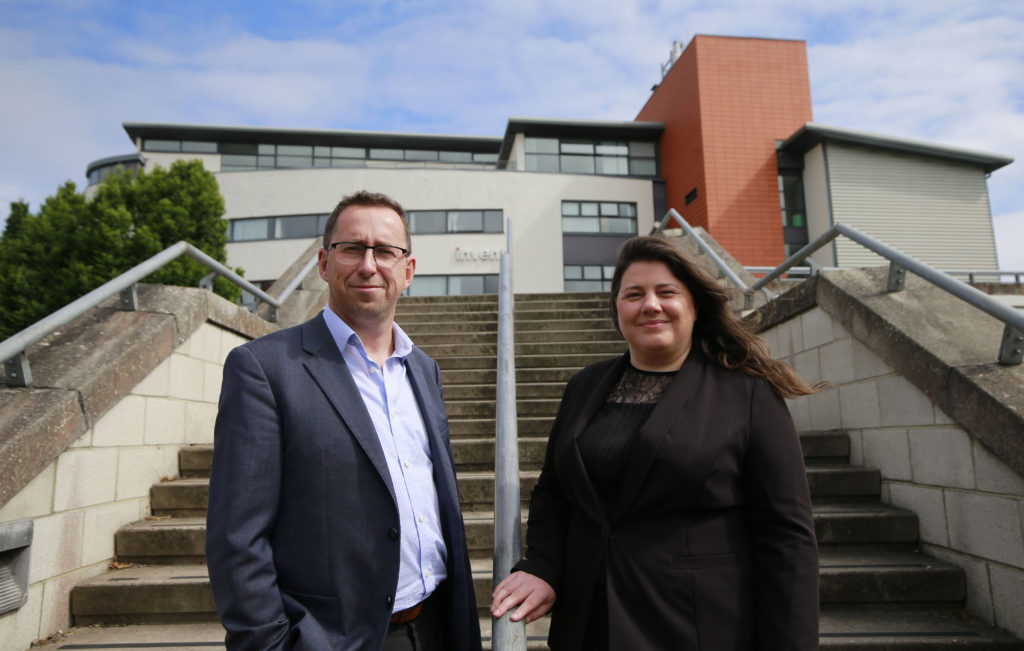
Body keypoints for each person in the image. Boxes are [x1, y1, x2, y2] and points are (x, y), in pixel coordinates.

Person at [491, 236, 821, 650]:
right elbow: (555, 491)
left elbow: (787, 536)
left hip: (696, 628)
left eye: (667, 292)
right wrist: (542, 564)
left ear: (694, 306)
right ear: (617, 309)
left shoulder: (748, 394)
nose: (650, 305)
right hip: (590, 624)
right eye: (634, 294)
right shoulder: (584, 386)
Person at [207, 191, 481, 651]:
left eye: (386, 251)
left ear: (407, 271)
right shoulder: (264, 368)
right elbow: (238, 539)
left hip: (437, 625)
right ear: (323, 263)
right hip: (334, 639)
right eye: (352, 248)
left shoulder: (424, 369)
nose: (369, 265)